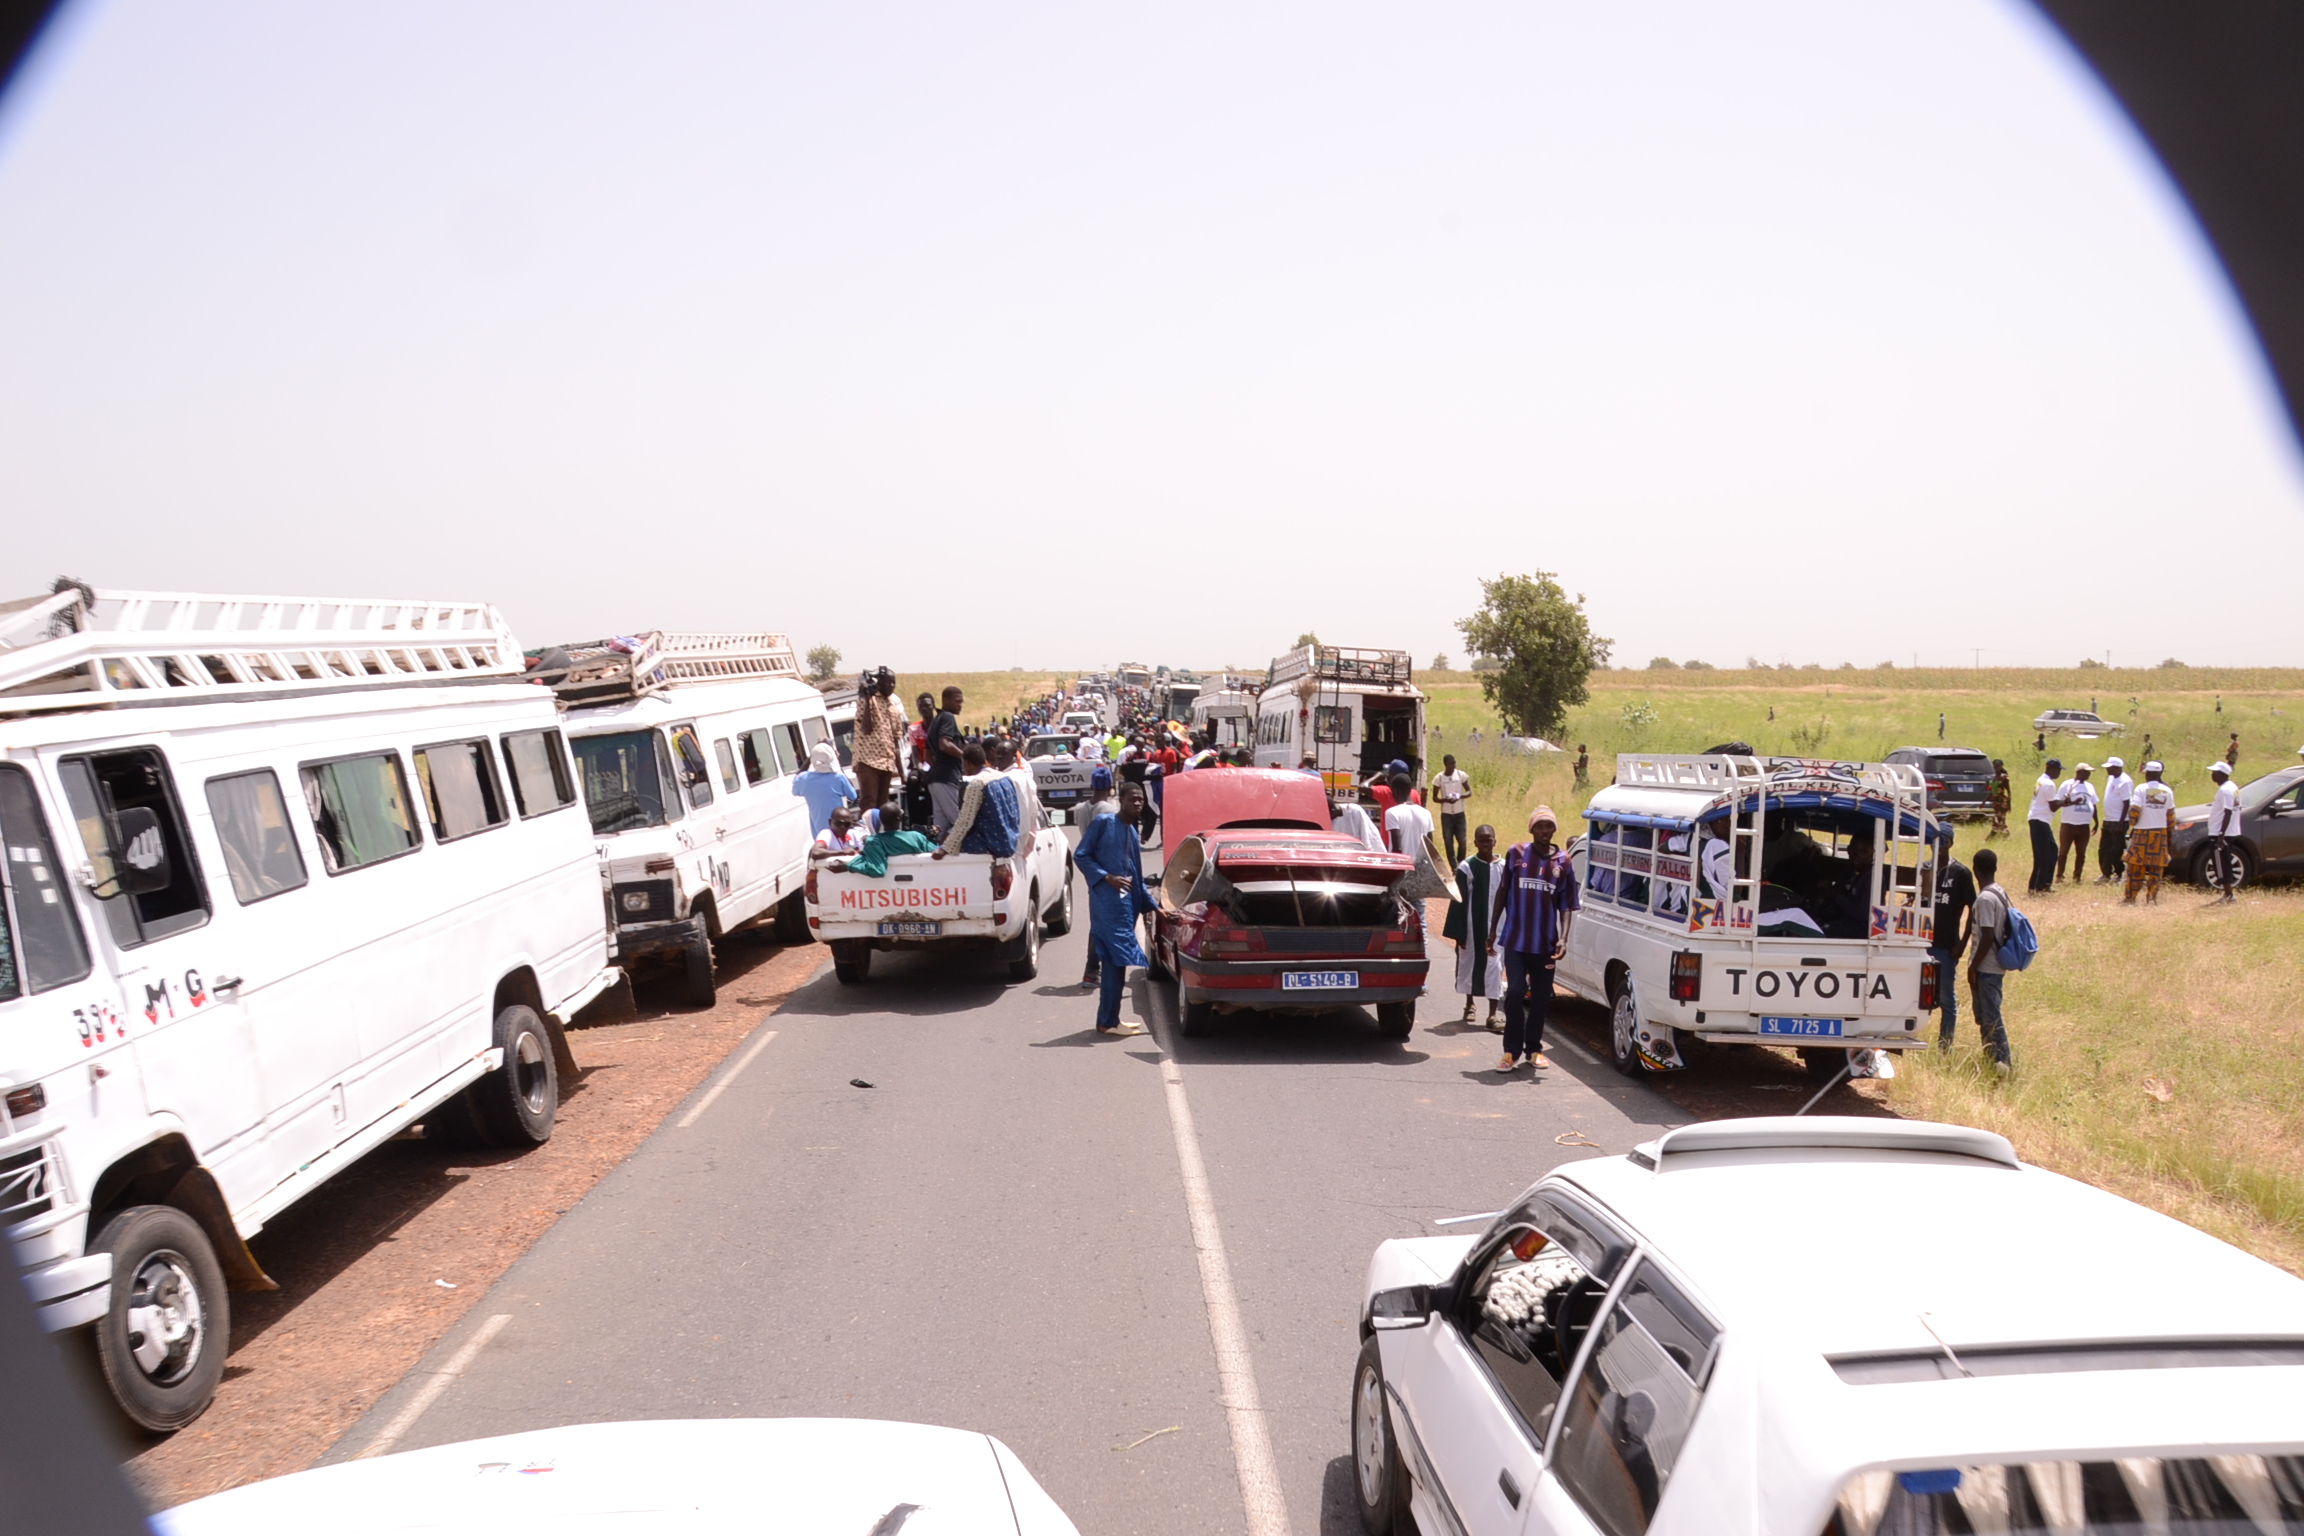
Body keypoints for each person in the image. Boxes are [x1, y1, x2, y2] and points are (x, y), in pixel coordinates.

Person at [1488, 806, 1577, 1074]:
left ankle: (1534, 1050)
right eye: (1540, 826)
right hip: (1516, 941)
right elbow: (1502, 893)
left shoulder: (1563, 861)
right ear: (1531, 829)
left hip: (1545, 945)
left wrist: (1563, 938)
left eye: (1549, 826)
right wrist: (1492, 931)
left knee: (1540, 998)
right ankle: (1510, 1052)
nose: (1545, 831)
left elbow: (1567, 905)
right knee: (1514, 993)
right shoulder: (1516, 853)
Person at [1074, 781, 1156, 1036]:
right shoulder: (1104, 822)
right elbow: (1081, 855)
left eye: (1141, 799)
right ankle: (1108, 1022)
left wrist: (1152, 907)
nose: (1138, 803)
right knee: (1114, 959)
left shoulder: (1131, 832)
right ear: (1120, 799)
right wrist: (1106, 877)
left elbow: (1137, 877)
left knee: (1116, 963)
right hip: (1106, 903)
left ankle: (1110, 1020)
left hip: (1125, 906)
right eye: (1133, 799)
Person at [1441, 824, 1506, 1028]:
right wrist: (1458, 931)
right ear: (1475, 842)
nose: (1486, 843)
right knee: (1469, 964)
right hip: (1471, 926)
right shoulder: (1467, 867)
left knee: (1495, 968)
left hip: (1497, 926)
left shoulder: (1503, 867)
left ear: (1495, 841)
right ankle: (1470, 1004)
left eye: (1490, 839)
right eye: (1482, 840)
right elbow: (1458, 899)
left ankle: (1493, 1014)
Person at [1964, 848, 2015, 1072]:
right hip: (1995, 966)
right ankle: (1991, 1060)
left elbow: (1986, 936)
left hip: (1987, 967)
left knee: (1991, 1017)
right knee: (1985, 1015)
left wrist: (1973, 967)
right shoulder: (2000, 892)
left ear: (1975, 871)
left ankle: (2003, 1062)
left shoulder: (1985, 898)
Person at [935, 742, 1022, 859]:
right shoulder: (1004, 778)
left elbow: (965, 821)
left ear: (967, 763)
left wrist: (945, 848)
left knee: (948, 842)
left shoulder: (977, 783)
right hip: (1011, 842)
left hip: (991, 844)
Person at [1929, 838, 1975, 1050]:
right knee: (1916, 997)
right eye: (1934, 841)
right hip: (1921, 944)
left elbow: (1973, 909)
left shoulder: (1960, 873)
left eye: (1943, 842)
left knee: (1946, 999)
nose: (1938, 846)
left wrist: (1963, 943)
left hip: (1946, 946)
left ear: (1951, 843)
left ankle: (1944, 1047)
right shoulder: (1924, 869)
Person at [852, 669, 905, 815]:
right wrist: (868, 698)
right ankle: (869, 836)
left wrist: (902, 774)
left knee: (883, 806)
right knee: (869, 803)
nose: (891, 685)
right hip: (868, 762)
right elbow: (866, 728)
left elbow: (896, 743)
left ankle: (881, 836)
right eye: (888, 681)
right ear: (879, 682)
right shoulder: (867, 699)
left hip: (887, 763)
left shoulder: (894, 707)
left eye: (893, 682)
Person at [2123, 761, 2177, 904]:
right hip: (2160, 833)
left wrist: (2132, 824)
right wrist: (2169, 831)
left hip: (2142, 832)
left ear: (2147, 773)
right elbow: (2171, 815)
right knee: (2156, 868)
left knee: (2136, 866)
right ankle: (2152, 898)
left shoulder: (2141, 789)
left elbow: (2135, 810)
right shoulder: (2167, 791)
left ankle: (2131, 897)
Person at [790, 742, 859, 837]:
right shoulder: (838, 777)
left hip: (818, 831)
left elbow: (795, 789)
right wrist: (839, 768)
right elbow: (853, 795)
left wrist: (808, 761)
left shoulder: (804, 779)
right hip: (838, 828)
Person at [926, 686, 967, 835]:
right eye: (957, 701)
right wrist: (965, 756)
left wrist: (939, 767)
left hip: (935, 780)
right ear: (946, 701)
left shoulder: (935, 721)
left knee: (940, 828)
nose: (960, 705)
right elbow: (945, 744)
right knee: (960, 823)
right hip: (946, 778)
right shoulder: (947, 717)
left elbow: (927, 756)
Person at [1384, 772, 1436, 873]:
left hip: (1402, 870)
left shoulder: (1392, 813)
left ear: (1397, 791)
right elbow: (1430, 847)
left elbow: (1397, 848)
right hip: (1421, 871)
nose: (1392, 796)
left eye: (1392, 793)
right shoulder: (1426, 813)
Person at [2206, 760, 2243, 901]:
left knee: (2220, 864)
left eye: (2214, 772)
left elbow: (2228, 812)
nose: (2212, 775)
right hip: (2226, 831)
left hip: (2220, 833)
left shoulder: (2225, 790)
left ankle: (2229, 895)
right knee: (2224, 862)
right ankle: (2228, 893)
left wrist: (2221, 834)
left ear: (2221, 774)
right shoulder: (2231, 787)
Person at [2055, 762, 2097, 884]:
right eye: (2086, 772)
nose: (2089, 775)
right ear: (2079, 772)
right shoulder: (2067, 785)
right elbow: (2060, 802)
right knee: (2064, 851)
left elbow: (2093, 804)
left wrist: (2096, 821)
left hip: (2084, 824)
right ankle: (2059, 875)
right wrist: (2072, 802)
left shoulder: (2090, 787)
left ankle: (2077, 876)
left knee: (2081, 852)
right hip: (2069, 823)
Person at [2026, 758, 2061, 894]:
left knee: (2052, 851)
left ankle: (2046, 883)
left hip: (2040, 819)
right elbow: (2053, 806)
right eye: (2058, 770)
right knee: (2043, 855)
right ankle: (2035, 886)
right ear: (2051, 769)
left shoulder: (2041, 779)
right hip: (2039, 820)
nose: (2059, 773)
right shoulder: (2049, 784)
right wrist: (2065, 802)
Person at [1430, 754, 1471, 869]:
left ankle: (1461, 863)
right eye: (1451, 763)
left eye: (1454, 763)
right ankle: (1454, 867)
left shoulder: (1460, 775)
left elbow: (1469, 792)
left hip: (1459, 813)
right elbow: (1435, 798)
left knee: (1462, 841)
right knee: (1448, 842)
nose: (1454, 765)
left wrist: (1460, 796)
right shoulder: (1439, 778)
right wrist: (1445, 800)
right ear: (1445, 764)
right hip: (1446, 814)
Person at [2096, 757, 2132, 883]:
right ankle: (2106, 873)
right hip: (2108, 819)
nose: (2107, 769)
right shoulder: (2112, 778)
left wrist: (2121, 823)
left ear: (2117, 768)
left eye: (2109, 767)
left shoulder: (2125, 781)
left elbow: (2127, 803)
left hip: (2118, 821)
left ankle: (2119, 873)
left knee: (2117, 849)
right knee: (2104, 848)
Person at [1987, 759, 2012, 838]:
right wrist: (1984, 802)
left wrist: (2009, 803)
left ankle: (1996, 835)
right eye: (1995, 766)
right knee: (1997, 818)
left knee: (2000, 819)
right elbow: (1992, 791)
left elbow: (2008, 791)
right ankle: (2002, 834)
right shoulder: (1993, 778)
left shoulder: (2004, 777)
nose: (1996, 768)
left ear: (2001, 767)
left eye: (1998, 766)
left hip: (2002, 801)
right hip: (1996, 802)